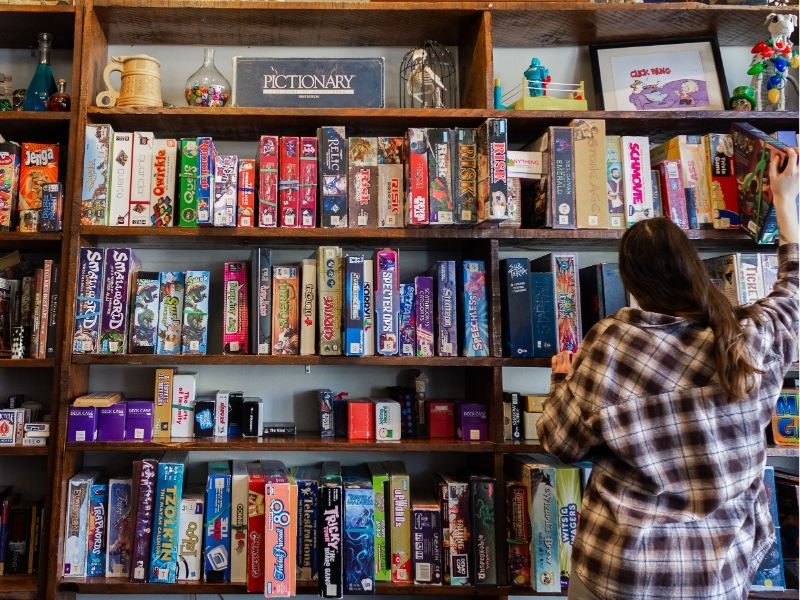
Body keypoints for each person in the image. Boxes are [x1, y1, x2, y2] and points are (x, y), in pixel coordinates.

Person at [537, 147, 799, 600]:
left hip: (621, 572)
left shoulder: (614, 341)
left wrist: (563, 379)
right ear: (693, 268)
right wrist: (784, 200)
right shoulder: (753, 338)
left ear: (632, 285)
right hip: (717, 576)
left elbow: (560, 443)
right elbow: (794, 285)